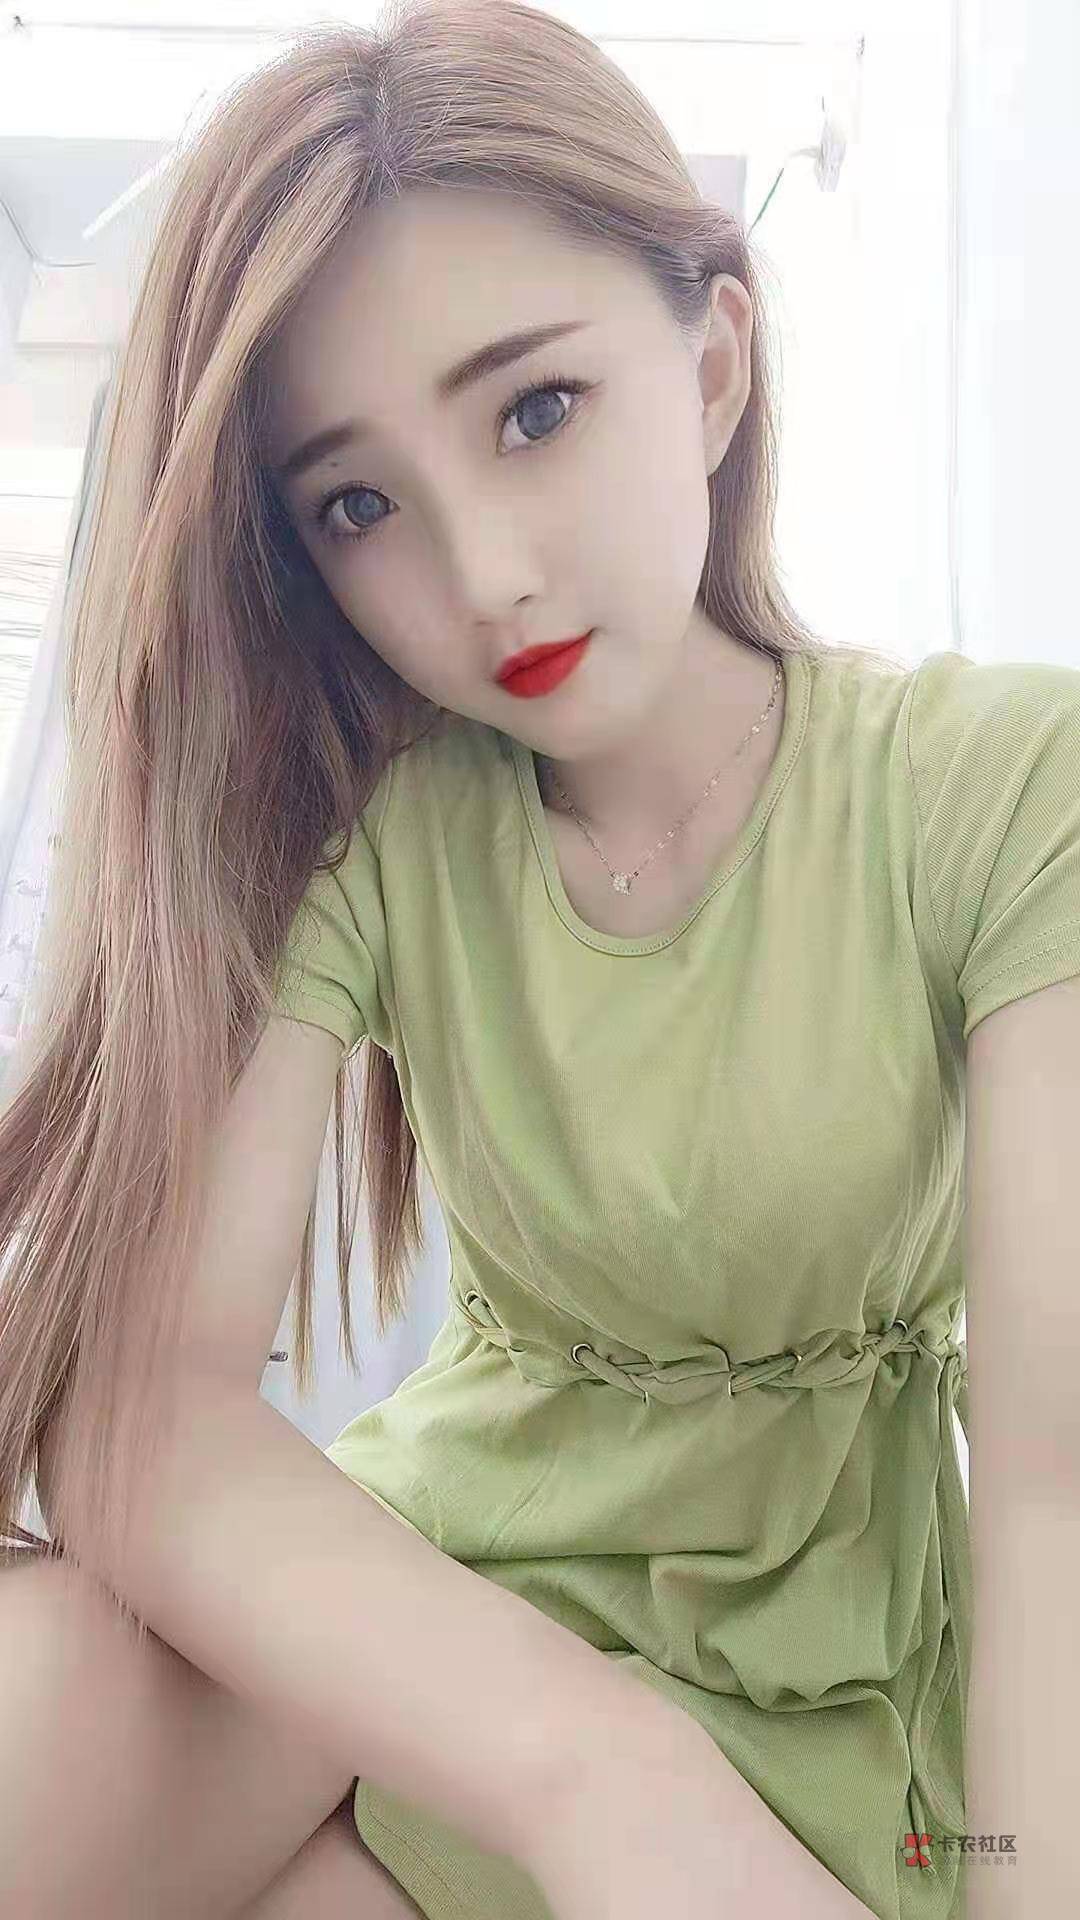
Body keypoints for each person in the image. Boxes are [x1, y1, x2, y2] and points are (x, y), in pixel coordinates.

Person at [3, 2, 1080, 1917]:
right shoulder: (376, 832)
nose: (483, 570)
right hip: (438, 1630)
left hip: (826, 1693)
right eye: (359, 505)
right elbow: (145, 1414)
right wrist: (595, 1768)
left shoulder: (991, 788)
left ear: (715, 363)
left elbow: (1056, 1483)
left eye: (534, 410)